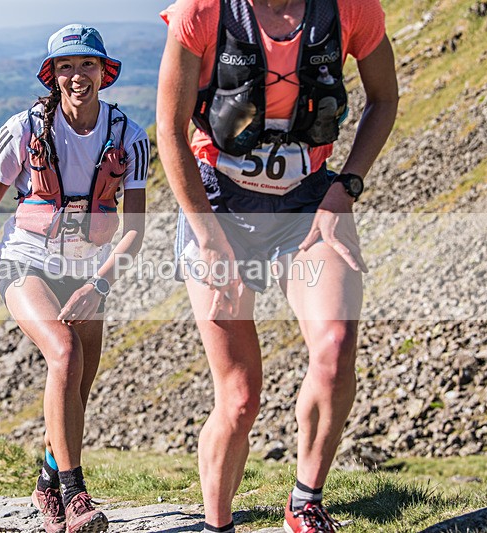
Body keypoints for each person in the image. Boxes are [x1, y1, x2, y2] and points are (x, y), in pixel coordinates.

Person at [156, 0, 397, 532]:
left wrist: (346, 187)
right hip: (217, 205)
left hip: (308, 202)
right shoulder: (202, 12)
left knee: (334, 349)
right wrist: (208, 239)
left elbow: (384, 98)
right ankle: (217, 525)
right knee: (239, 398)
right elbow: (170, 130)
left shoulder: (351, 9)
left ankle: (305, 502)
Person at [0, 24, 149, 533]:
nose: (77, 76)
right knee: (63, 353)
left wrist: (101, 285)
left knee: (77, 393)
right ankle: (75, 498)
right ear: (52, 76)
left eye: (87, 65)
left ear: (103, 73)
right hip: (25, 262)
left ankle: (47, 484)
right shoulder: (25, 128)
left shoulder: (129, 137)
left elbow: (134, 233)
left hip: (89, 274)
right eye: (66, 67)